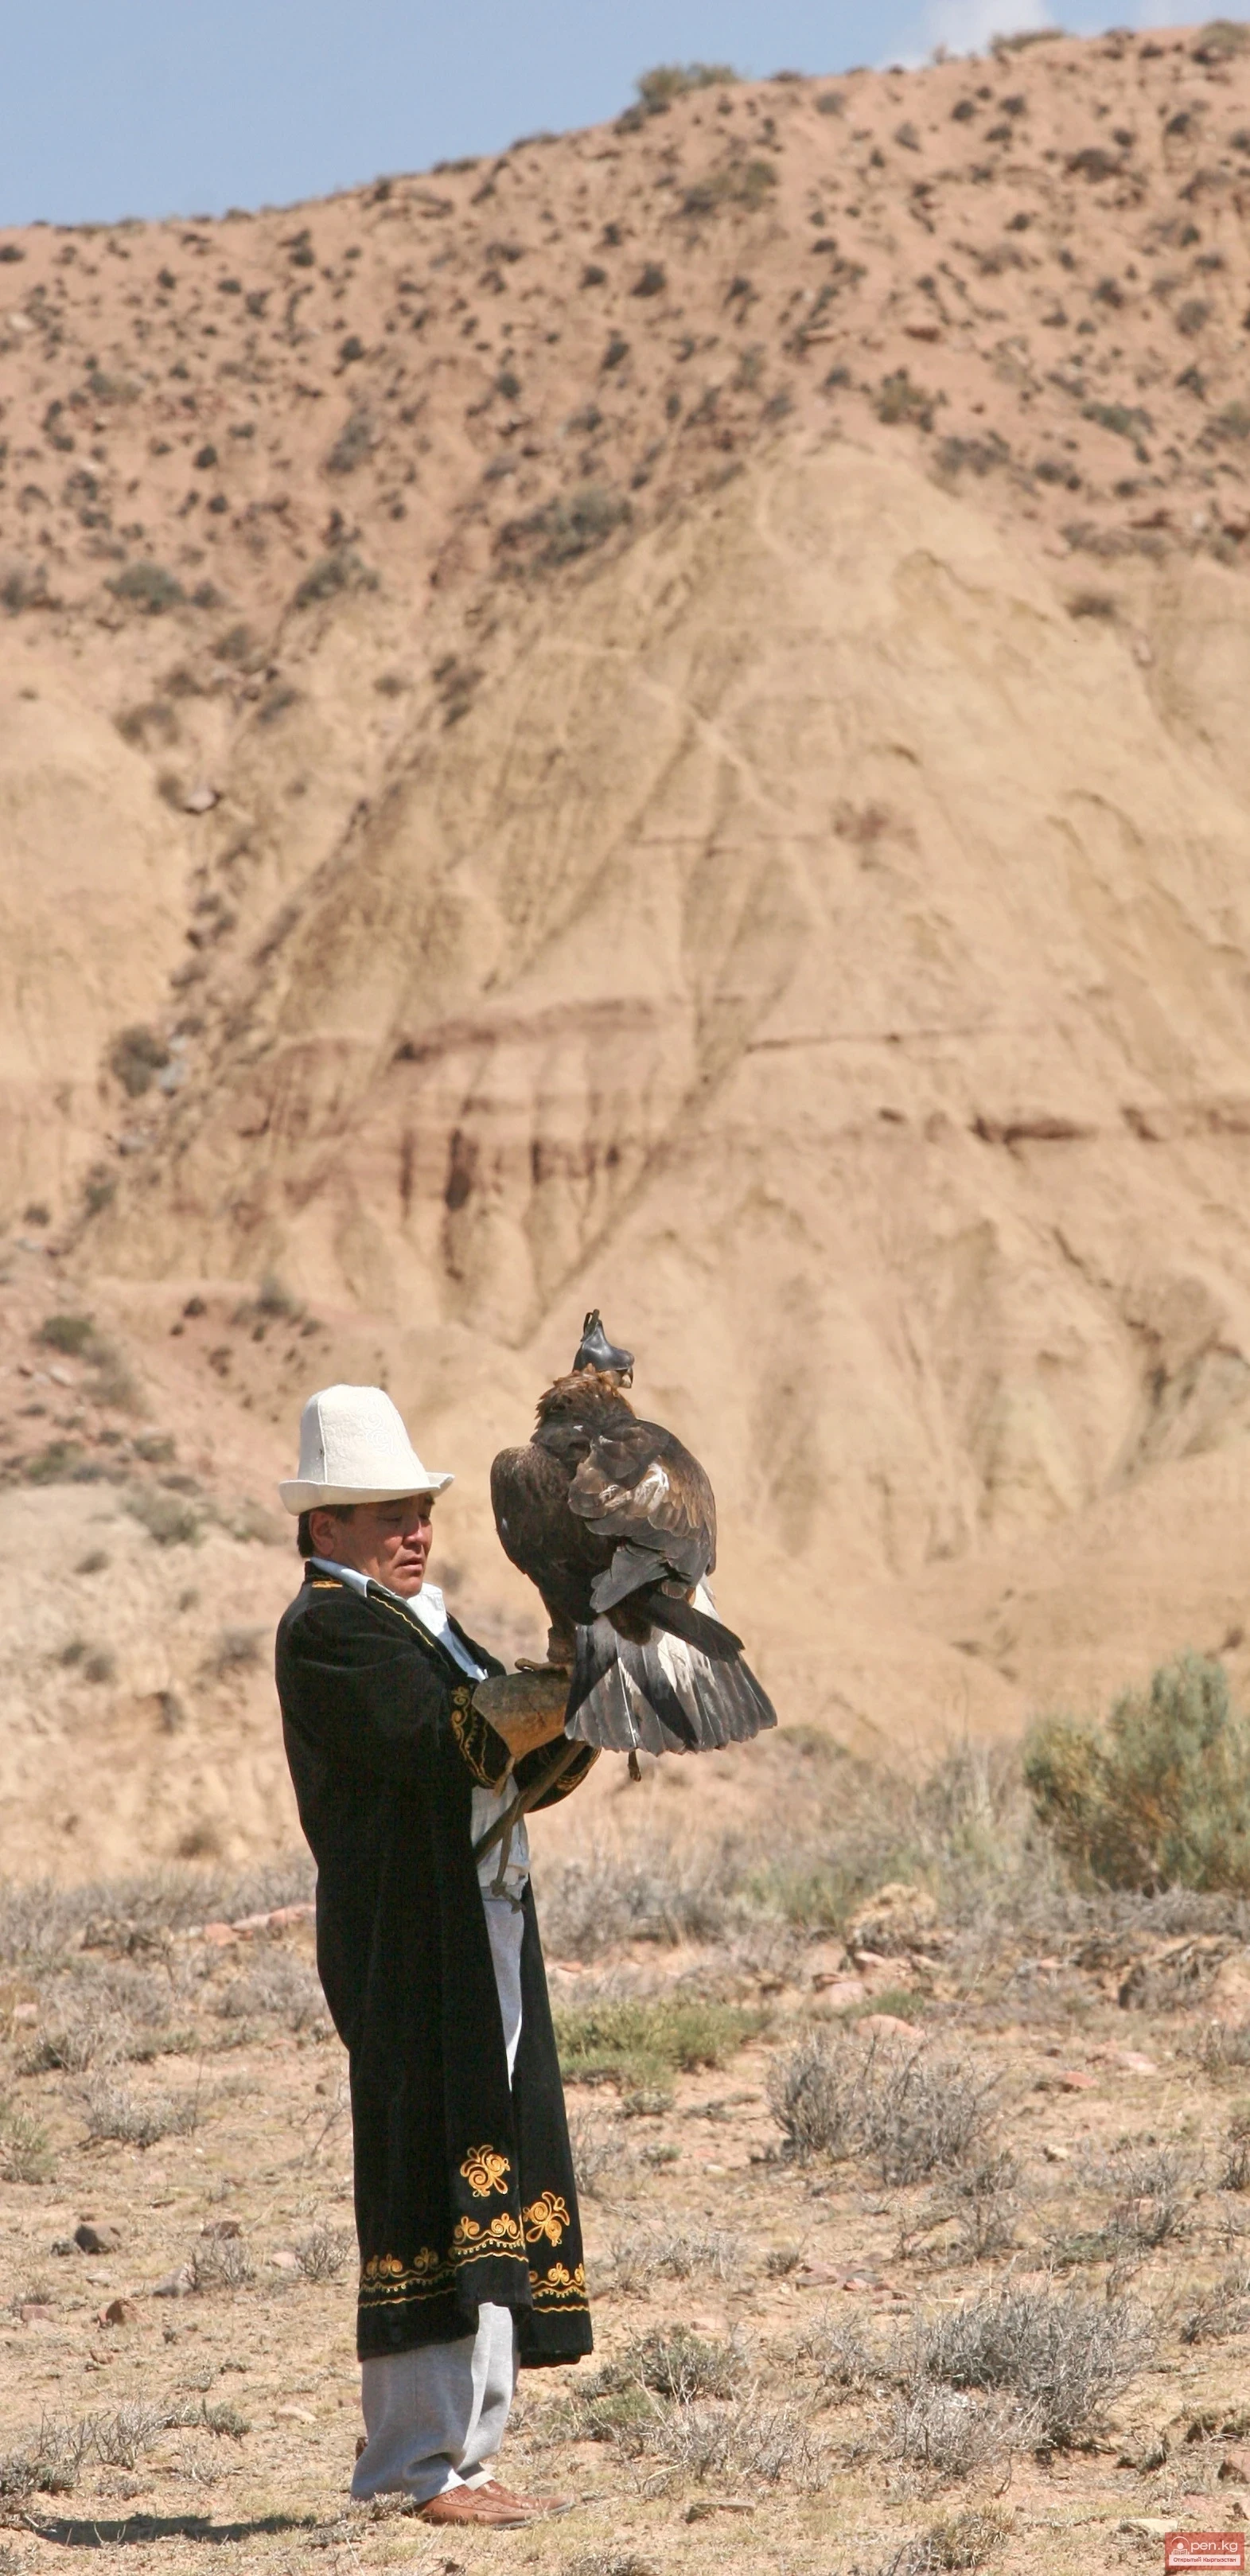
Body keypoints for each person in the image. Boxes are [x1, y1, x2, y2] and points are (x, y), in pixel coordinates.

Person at [274, 1383, 597, 2529]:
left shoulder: (424, 1623)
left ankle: (468, 2456)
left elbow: (524, 1765)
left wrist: (590, 1683)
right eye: (387, 1515)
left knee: (489, 2160)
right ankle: (411, 2467)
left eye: (420, 1511)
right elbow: (448, 1738)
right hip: (405, 1939)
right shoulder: (330, 1630)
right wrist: (564, 1687)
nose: (415, 1531)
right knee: (424, 2171)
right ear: (326, 1528)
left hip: (476, 1926)